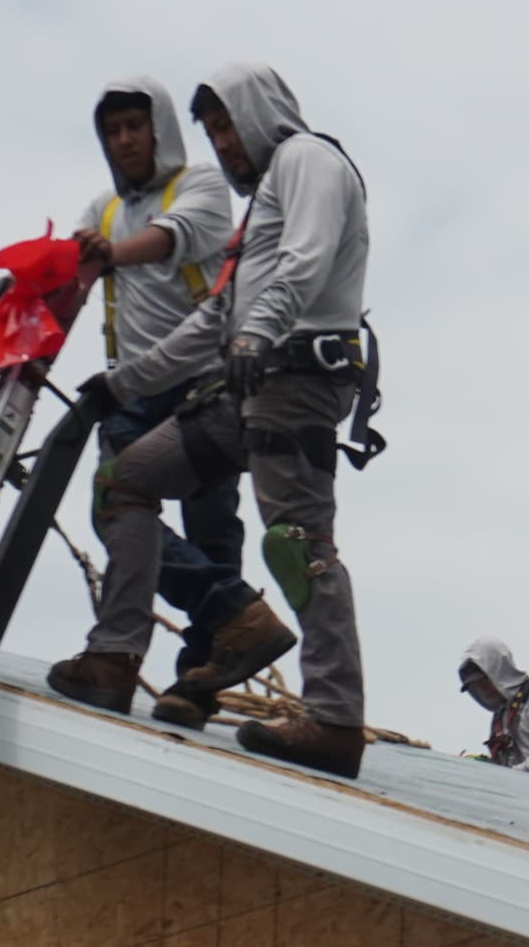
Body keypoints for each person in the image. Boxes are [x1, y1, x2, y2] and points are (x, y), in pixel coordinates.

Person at [52, 61, 376, 776]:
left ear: (261, 112)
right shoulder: (261, 204)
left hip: (297, 379)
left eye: (229, 124)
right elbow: (213, 321)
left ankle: (335, 720)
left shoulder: (308, 159)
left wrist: (259, 332)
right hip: (242, 384)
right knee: (125, 481)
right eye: (213, 132)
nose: (224, 143)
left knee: (297, 541)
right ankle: (114, 655)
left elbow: (308, 257)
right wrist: (119, 384)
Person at [67, 80, 245, 658]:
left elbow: (177, 237)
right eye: (112, 131)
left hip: (202, 382)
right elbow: (65, 275)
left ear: (159, 129)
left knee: (211, 527)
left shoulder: (199, 184)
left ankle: (203, 672)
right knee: (114, 509)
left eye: (134, 127)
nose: (124, 141)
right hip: (131, 391)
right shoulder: (106, 209)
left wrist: (109, 254)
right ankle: (228, 611)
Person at [457, 638, 529, 779]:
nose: (483, 689)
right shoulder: (500, 716)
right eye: (476, 686)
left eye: (484, 680)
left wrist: (514, 775)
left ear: (498, 670)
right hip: (518, 794)